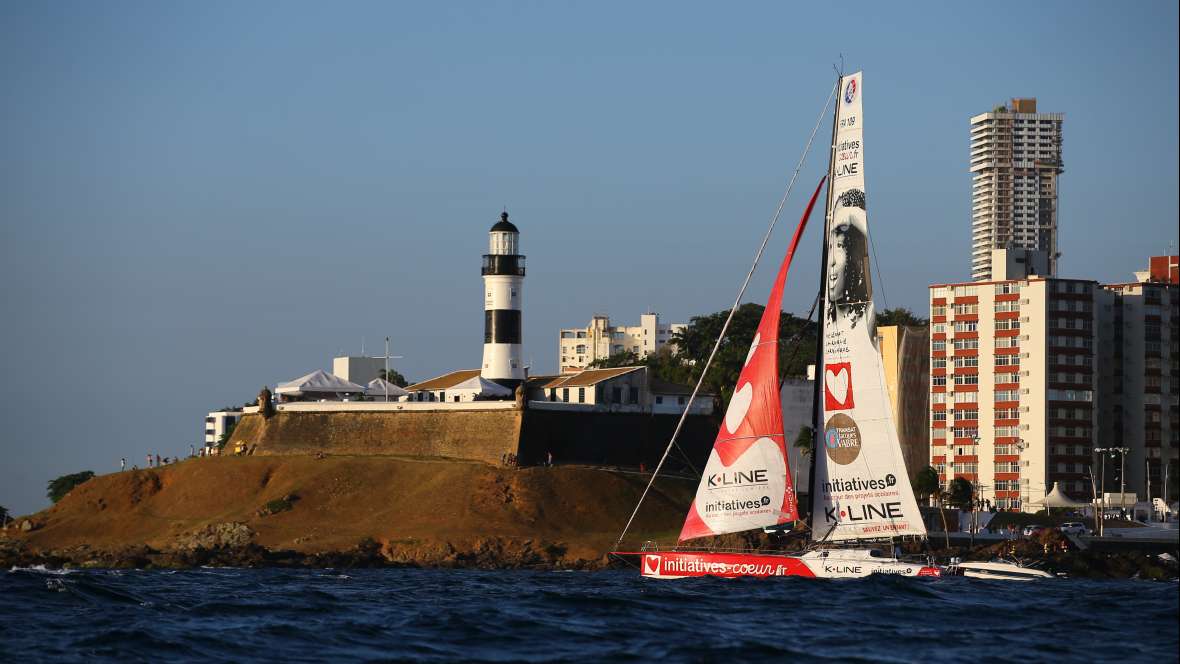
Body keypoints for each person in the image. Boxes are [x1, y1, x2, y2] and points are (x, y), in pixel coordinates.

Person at [825, 188, 870, 328]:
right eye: (830, 246)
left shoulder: (863, 321)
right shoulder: (830, 319)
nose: (830, 262)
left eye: (839, 246)